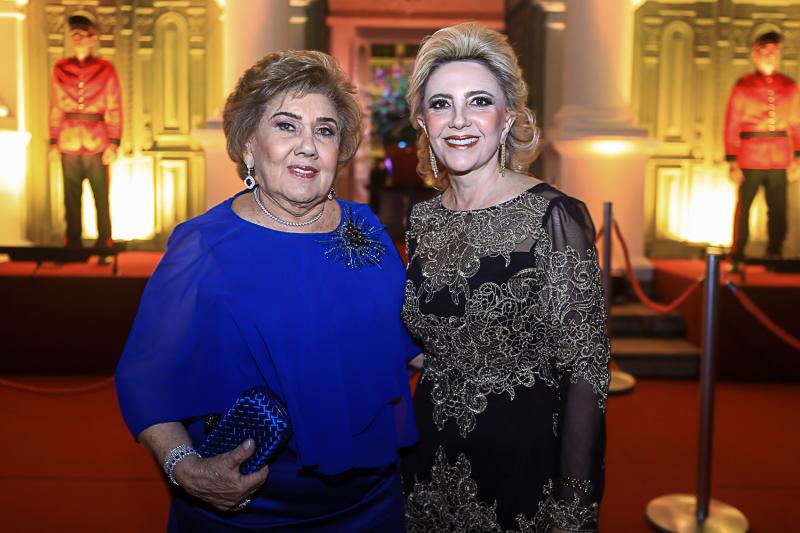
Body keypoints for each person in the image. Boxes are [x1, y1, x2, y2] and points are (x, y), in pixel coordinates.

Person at [115, 50, 421, 532]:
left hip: (372, 502)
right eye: (286, 126)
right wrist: (184, 468)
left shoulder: (366, 229)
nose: (308, 146)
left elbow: (410, 344)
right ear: (249, 145)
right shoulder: (203, 244)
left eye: (325, 130)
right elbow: (145, 380)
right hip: (249, 507)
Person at [400, 23, 610, 532]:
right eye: (441, 104)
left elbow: (586, 371)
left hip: (522, 466)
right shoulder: (422, 219)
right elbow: (429, 334)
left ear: (508, 116)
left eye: (479, 101)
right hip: (427, 458)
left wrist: (575, 503)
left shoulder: (553, 215)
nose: (459, 120)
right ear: (424, 121)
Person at [725, 30, 800, 272]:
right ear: (755, 55)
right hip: (750, 156)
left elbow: (796, 123)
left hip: (779, 157)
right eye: (765, 52)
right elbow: (732, 124)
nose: (770, 57)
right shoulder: (744, 86)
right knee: (744, 208)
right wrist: (732, 159)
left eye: (774, 53)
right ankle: (737, 255)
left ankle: (774, 253)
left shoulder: (789, 86)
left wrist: (797, 156)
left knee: (778, 209)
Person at [50, 14, 122, 250]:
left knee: (100, 195)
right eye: (74, 35)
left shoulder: (105, 69)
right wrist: (53, 140)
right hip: (68, 139)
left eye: (82, 35)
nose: (77, 39)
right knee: (70, 197)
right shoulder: (61, 68)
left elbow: (114, 106)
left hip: (96, 140)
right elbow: (55, 106)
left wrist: (114, 141)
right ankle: (72, 243)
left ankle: (104, 242)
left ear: (93, 38)